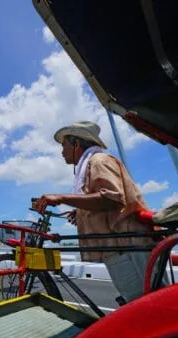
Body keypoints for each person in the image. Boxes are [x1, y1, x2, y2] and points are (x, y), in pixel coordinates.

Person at [33, 120, 165, 304]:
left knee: (147, 304)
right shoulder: (90, 164)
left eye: (64, 145)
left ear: (76, 144)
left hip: (127, 246)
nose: (61, 151)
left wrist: (61, 198)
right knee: (142, 302)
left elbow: (111, 198)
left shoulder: (98, 161)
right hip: (119, 246)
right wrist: (80, 211)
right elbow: (100, 200)